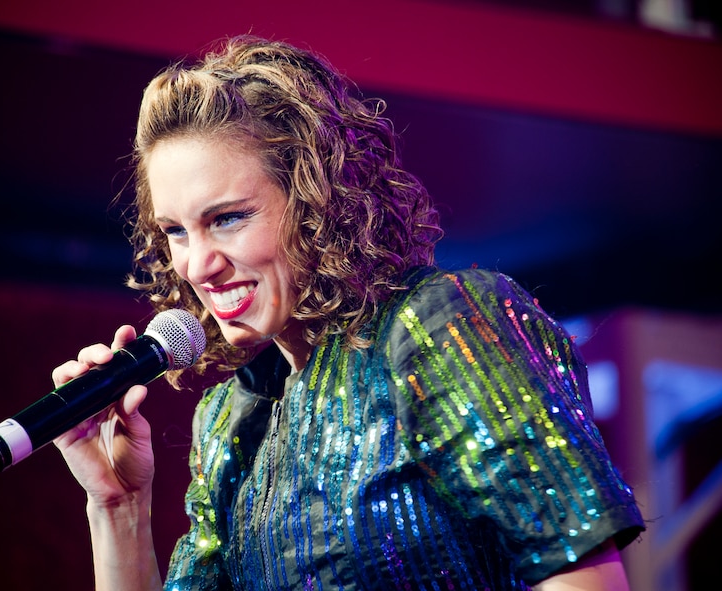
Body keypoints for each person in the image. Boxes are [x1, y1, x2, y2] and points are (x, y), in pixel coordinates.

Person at [51, 35, 645, 591]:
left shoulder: (441, 324)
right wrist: (118, 507)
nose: (198, 265)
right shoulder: (228, 423)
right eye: (176, 231)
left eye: (227, 218)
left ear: (315, 200)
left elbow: (580, 571)